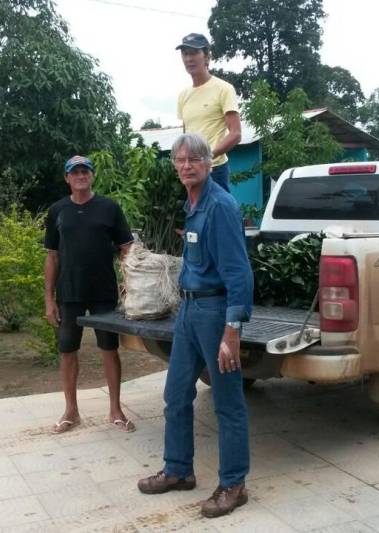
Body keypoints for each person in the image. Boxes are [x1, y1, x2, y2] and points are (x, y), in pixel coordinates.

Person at [137, 134, 254, 519]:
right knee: (176, 394)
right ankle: (178, 470)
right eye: (180, 160)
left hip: (214, 312)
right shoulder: (192, 204)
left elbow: (239, 274)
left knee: (227, 402)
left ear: (208, 163)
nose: (186, 165)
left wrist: (231, 331)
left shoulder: (220, 206)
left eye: (194, 159)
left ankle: (234, 484)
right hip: (188, 312)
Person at [44, 155, 136, 434]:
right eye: (76, 172)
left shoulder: (109, 208)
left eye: (86, 171)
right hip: (69, 292)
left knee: (109, 349)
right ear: (67, 178)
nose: (81, 176)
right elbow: (52, 257)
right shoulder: (57, 211)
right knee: (67, 350)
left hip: (103, 293)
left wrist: (130, 285)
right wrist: (49, 299)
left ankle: (116, 410)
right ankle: (71, 411)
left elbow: (127, 249)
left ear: (92, 176)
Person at [176, 33, 242, 192]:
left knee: (218, 214)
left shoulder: (223, 88)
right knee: (196, 215)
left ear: (206, 57)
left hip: (215, 169)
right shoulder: (183, 95)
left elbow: (236, 134)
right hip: (191, 171)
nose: (189, 59)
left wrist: (207, 157)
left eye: (194, 53)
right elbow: (186, 136)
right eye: (185, 54)